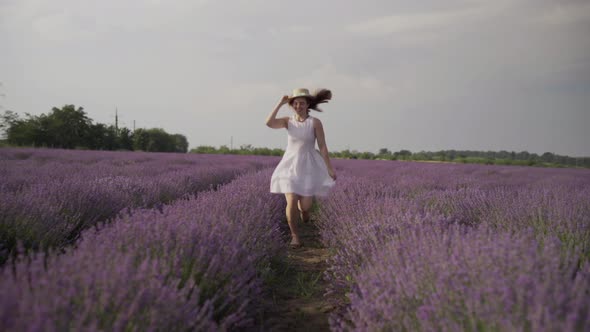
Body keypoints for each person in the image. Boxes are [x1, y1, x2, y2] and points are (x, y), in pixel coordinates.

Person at [265, 88, 337, 248]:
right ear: (292, 105)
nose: (298, 106)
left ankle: (304, 211)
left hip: (308, 165)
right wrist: (280, 103)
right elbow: (269, 123)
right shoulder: (287, 121)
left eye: (302, 103)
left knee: (305, 204)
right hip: (289, 165)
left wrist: (329, 168)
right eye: (295, 103)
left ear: (307, 104)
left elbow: (323, 146)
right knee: (291, 199)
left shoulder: (315, 122)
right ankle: (295, 236)